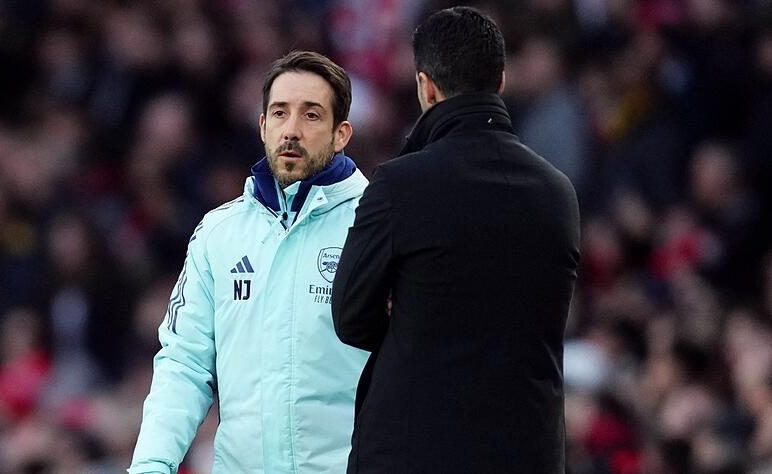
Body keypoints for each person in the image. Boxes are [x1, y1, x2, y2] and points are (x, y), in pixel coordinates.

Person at [331, 7, 580, 473]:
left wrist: (410, 313)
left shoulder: (400, 185)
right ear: (501, 81)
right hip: (528, 453)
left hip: (415, 450)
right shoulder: (558, 193)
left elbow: (350, 317)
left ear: (425, 85)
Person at [130, 51, 370, 474]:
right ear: (262, 126)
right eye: (280, 114)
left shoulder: (376, 226)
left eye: (311, 115)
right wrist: (151, 463)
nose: (291, 130)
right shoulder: (219, 234)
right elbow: (184, 364)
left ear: (341, 134)